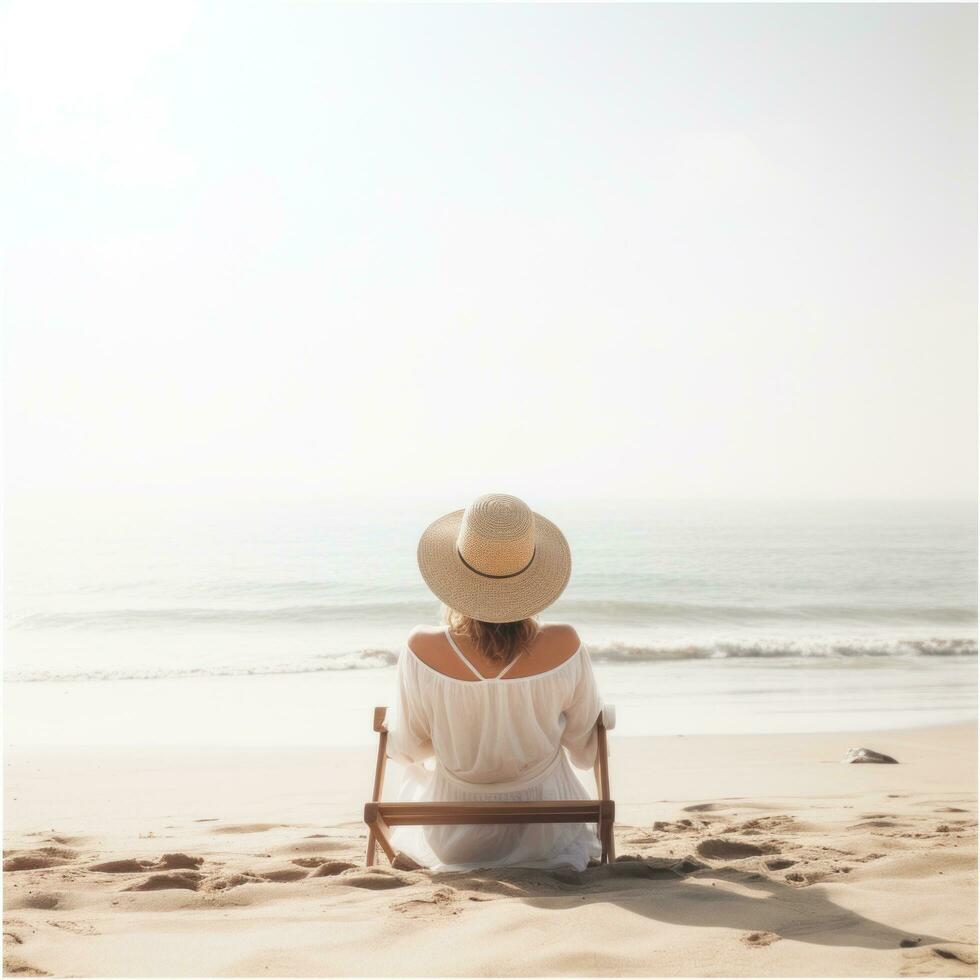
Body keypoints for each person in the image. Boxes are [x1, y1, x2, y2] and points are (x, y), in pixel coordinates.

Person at [384, 492, 606, 872]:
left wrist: (458, 737)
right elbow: (585, 748)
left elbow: (404, 749)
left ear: (456, 575)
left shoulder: (421, 646)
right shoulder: (565, 642)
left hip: (455, 837)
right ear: (533, 576)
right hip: (549, 830)